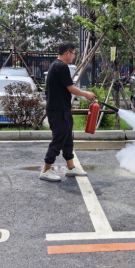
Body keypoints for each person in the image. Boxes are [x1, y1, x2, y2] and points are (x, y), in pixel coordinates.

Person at [40, 42, 96, 182]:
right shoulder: (61, 66)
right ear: (67, 53)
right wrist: (86, 94)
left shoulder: (56, 65)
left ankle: (71, 168)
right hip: (57, 110)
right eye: (73, 54)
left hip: (62, 109)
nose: (74, 56)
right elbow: (70, 88)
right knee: (59, 139)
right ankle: (46, 170)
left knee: (68, 139)